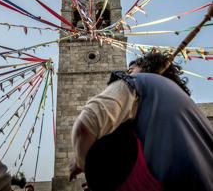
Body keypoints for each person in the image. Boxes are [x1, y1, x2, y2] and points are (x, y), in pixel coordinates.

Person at [69, 50, 213, 190]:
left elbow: (85, 127)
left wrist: (82, 164)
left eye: (130, 70)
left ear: (143, 68)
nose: (127, 74)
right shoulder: (190, 107)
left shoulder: (135, 82)